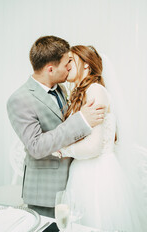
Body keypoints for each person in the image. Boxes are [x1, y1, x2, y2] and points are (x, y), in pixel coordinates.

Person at [7, 36, 106, 218]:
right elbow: (36, 147)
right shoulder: (19, 100)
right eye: (67, 62)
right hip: (45, 192)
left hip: (75, 183)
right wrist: (81, 120)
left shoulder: (62, 88)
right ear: (50, 69)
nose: (70, 66)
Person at [56, 45, 147, 231]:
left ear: (87, 65)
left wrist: (61, 150)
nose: (66, 64)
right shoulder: (79, 93)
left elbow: (94, 147)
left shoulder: (95, 90)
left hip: (97, 174)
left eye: (71, 60)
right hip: (81, 170)